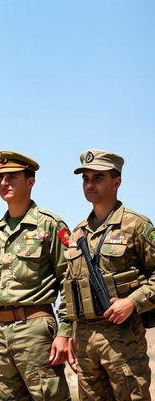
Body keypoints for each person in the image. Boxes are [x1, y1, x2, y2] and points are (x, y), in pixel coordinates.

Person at [0, 150, 72, 401]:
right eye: (0, 178)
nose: (4, 183)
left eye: (12, 177)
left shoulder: (50, 225)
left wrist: (65, 332)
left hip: (34, 329)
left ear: (30, 182)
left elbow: (70, 280)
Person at [63, 149, 155, 400]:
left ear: (117, 182)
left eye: (98, 177)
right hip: (84, 341)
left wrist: (132, 302)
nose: (89, 184)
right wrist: (66, 333)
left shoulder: (136, 225)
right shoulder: (78, 232)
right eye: (85, 179)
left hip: (122, 340)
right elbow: (69, 287)